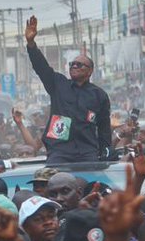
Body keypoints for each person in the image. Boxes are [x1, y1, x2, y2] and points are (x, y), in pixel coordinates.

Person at [24, 15, 111, 164]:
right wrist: (31, 43)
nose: (74, 67)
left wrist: (106, 153)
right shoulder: (58, 84)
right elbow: (41, 67)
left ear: (90, 71)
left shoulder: (99, 95)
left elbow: (104, 128)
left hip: (87, 152)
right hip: (59, 151)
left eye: (79, 65)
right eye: (72, 64)